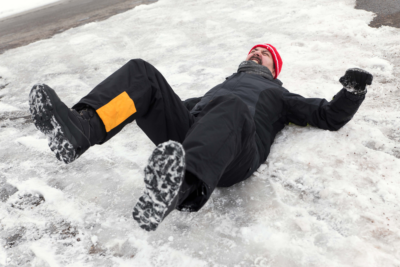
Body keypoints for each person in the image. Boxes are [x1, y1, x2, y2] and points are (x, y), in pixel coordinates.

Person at [28, 43, 373, 231]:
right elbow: (168, 106)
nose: (256, 53)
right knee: (142, 74)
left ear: (273, 68)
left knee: (233, 106)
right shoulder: (220, 88)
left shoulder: (279, 95)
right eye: (253, 50)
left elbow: (327, 115)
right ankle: (80, 130)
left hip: (238, 154)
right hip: (196, 138)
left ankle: (180, 186)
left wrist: (352, 91)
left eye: (264, 53)